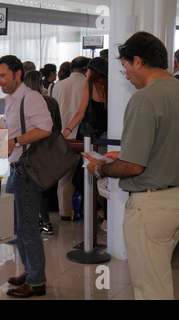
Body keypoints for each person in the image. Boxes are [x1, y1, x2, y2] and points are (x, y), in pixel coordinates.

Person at [84, 31, 179, 300]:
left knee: (151, 288)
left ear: (138, 61)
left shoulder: (145, 98)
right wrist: (124, 156)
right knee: (161, 279)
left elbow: (134, 167)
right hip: (174, 199)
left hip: (151, 206)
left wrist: (100, 168)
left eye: (125, 65)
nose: (124, 74)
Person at [0, 55, 52, 298]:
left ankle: (37, 281)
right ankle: (30, 272)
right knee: (16, 226)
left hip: (27, 170)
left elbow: (45, 128)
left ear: (18, 74)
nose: (0, 81)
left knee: (27, 228)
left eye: (3, 75)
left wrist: (14, 141)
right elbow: (9, 122)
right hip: (16, 169)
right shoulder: (12, 99)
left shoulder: (31, 98)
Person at [63, 57, 108, 230]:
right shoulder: (110, 88)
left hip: (90, 140)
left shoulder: (89, 86)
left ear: (92, 71)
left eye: (88, 70)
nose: (86, 73)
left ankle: (99, 212)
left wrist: (66, 132)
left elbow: (80, 113)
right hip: (107, 140)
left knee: (79, 178)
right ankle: (105, 216)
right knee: (106, 180)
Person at [24, 70, 61, 235]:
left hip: (28, 150)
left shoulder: (24, 102)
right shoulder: (51, 102)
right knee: (43, 188)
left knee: (26, 187)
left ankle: (31, 221)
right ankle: (45, 222)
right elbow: (57, 127)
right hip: (47, 150)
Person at [53, 56, 90, 221]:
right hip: (83, 138)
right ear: (85, 69)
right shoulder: (88, 84)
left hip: (63, 136)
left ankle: (64, 213)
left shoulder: (58, 85)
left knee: (64, 178)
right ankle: (90, 211)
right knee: (89, 175)